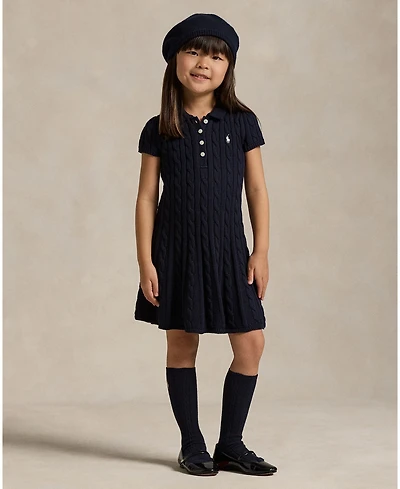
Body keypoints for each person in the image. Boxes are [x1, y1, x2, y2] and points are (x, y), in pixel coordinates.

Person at [134, 13, 278, 477]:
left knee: (251, 342)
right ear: (175, 60)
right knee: (182, 344)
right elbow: (146, 196)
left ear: (228, 67)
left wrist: (260, 250)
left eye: (216, 56)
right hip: (175, 252)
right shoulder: (160, 127)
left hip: (230, 252)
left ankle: (230, 444)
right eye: (194, 52)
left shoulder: (243, 122)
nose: (203, 63)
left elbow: (257, 189)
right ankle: (192, 443)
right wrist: (145, 261)